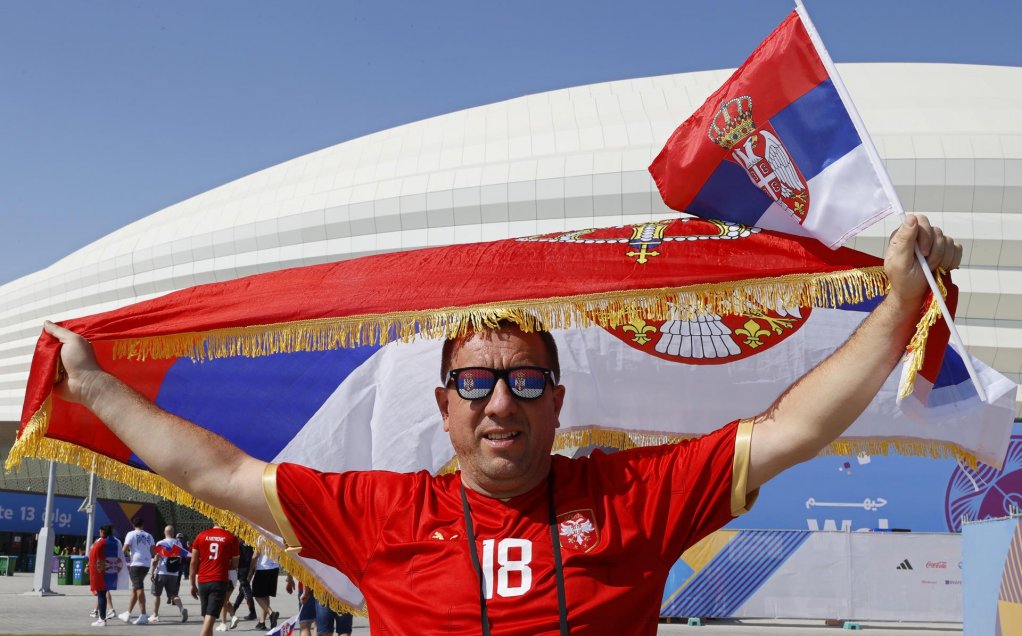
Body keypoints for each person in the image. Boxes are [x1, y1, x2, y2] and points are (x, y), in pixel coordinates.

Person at [44, 215, 962, 633]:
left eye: (526, 382)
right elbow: (221, 475)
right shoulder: (381, 511)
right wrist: (95, 389)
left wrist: (896, 309)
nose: (500, 403)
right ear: (442, 406)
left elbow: (794, 426)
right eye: (476, 383)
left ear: (558, 402)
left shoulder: (633, 494)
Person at [189, 522, 240, 636]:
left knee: (207, 621)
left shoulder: (201, 536)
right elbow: (235, 565)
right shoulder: (231, 538)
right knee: (209, 622)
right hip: (219, 580)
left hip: (202, 580)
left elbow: (193, 562)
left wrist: (192, 584)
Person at [149, 525, 189, 623]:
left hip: (161, 572)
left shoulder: (161, 543)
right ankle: (181, 609)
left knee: (156, 594)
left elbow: (156, 559)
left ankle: (155, 615)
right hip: (174, 573)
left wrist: (152, 571)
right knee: (173, 594)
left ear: (164, 532)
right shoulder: (178, 543)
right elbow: (182, 557)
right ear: (173, 533)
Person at [120, 515, 155, 625]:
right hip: (146, 564)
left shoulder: (131, 534)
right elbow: (154, 551)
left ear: (133, 524)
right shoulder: (149, 535)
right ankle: (128, 613)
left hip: (136, 563)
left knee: (139, 588)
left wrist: (121, 559)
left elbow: (124, 549)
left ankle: (143, 615)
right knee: (135, 588)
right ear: (143, 524)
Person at [88, 525, 124, 628]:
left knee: (101, 595)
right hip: (110, 571)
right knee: (103, 594)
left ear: (103, 532)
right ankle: (102, 617)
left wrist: (90, 568)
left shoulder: (101, 542)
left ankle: (102, 619)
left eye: (100, 531)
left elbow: (92, 555)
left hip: (101, 572)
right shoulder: (115, 542)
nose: (99, 533)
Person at [249, 551, 280, 630]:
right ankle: (262, 622)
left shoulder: (261, 538)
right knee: (265, 595)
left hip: (263, 568)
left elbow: (255, 555)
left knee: (257, 595)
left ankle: (271, 613)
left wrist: (250, 573)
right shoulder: (278, 538)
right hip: (274, 567)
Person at [230, 541, 257, 620]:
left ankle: (252, 612)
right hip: (250, 567)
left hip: (242, 568)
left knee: (245, 589)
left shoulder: (239, 543)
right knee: (243, 588)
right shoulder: (252, 542)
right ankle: (234, 608)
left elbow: (236, 556)